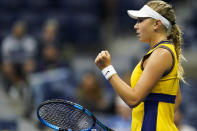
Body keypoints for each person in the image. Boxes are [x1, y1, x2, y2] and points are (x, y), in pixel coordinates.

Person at [95, 0, 184, 130]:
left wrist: (107, 69)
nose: (136, 26)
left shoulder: (161, 54)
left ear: (156, 24)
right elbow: (177, 97)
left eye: (140, 21)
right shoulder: (161, 52)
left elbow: (133, 99)